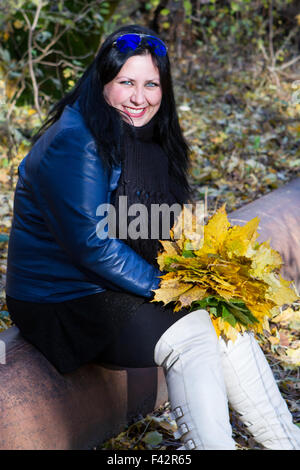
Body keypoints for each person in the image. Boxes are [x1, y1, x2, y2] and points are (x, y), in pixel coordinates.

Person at [5, 24, 300, 450]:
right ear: (102, 82)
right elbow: (92, 243)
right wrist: (168, 289)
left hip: (106, 283)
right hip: (62, 298)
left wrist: (197, 276)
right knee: (194, 333)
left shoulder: (142, 134)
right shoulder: (77, 141)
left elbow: (155, 223)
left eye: (151, 84)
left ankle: (285, 443)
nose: (139, 97)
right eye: (126, 82)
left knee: (225, 325)